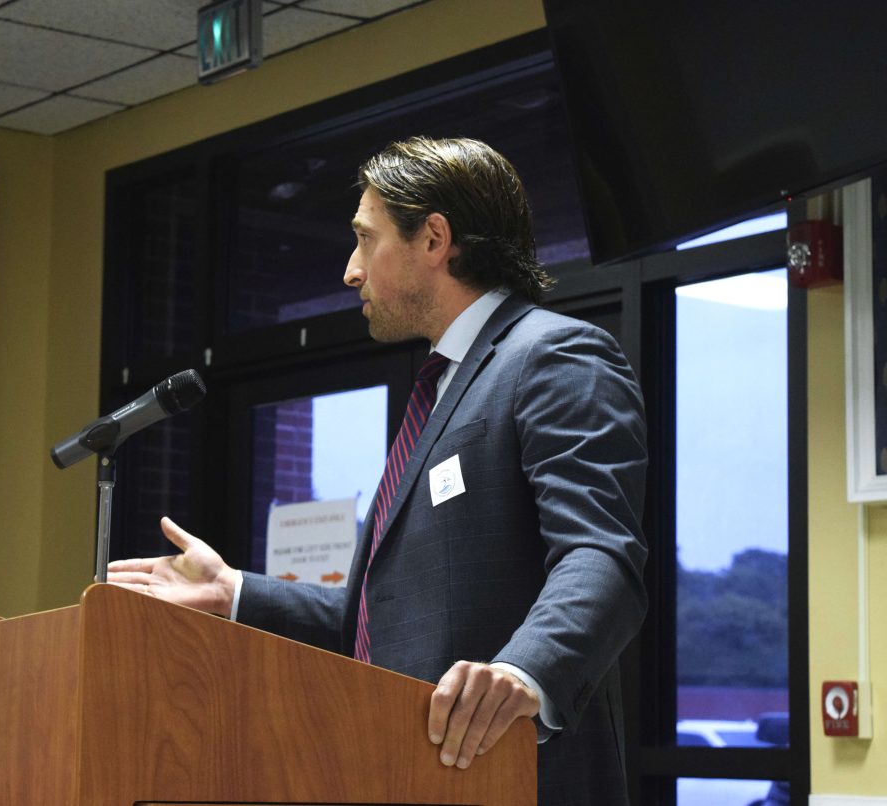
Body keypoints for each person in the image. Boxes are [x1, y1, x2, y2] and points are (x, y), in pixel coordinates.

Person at [108, 136, 648, 806]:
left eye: (366, 239)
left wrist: (523, 672)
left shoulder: (553, 356)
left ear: (434, 239)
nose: (350, 270)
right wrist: (236, 593)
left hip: (512, 779)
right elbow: (383, 618)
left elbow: (600, 554)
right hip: (402, 774)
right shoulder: (441, 387)